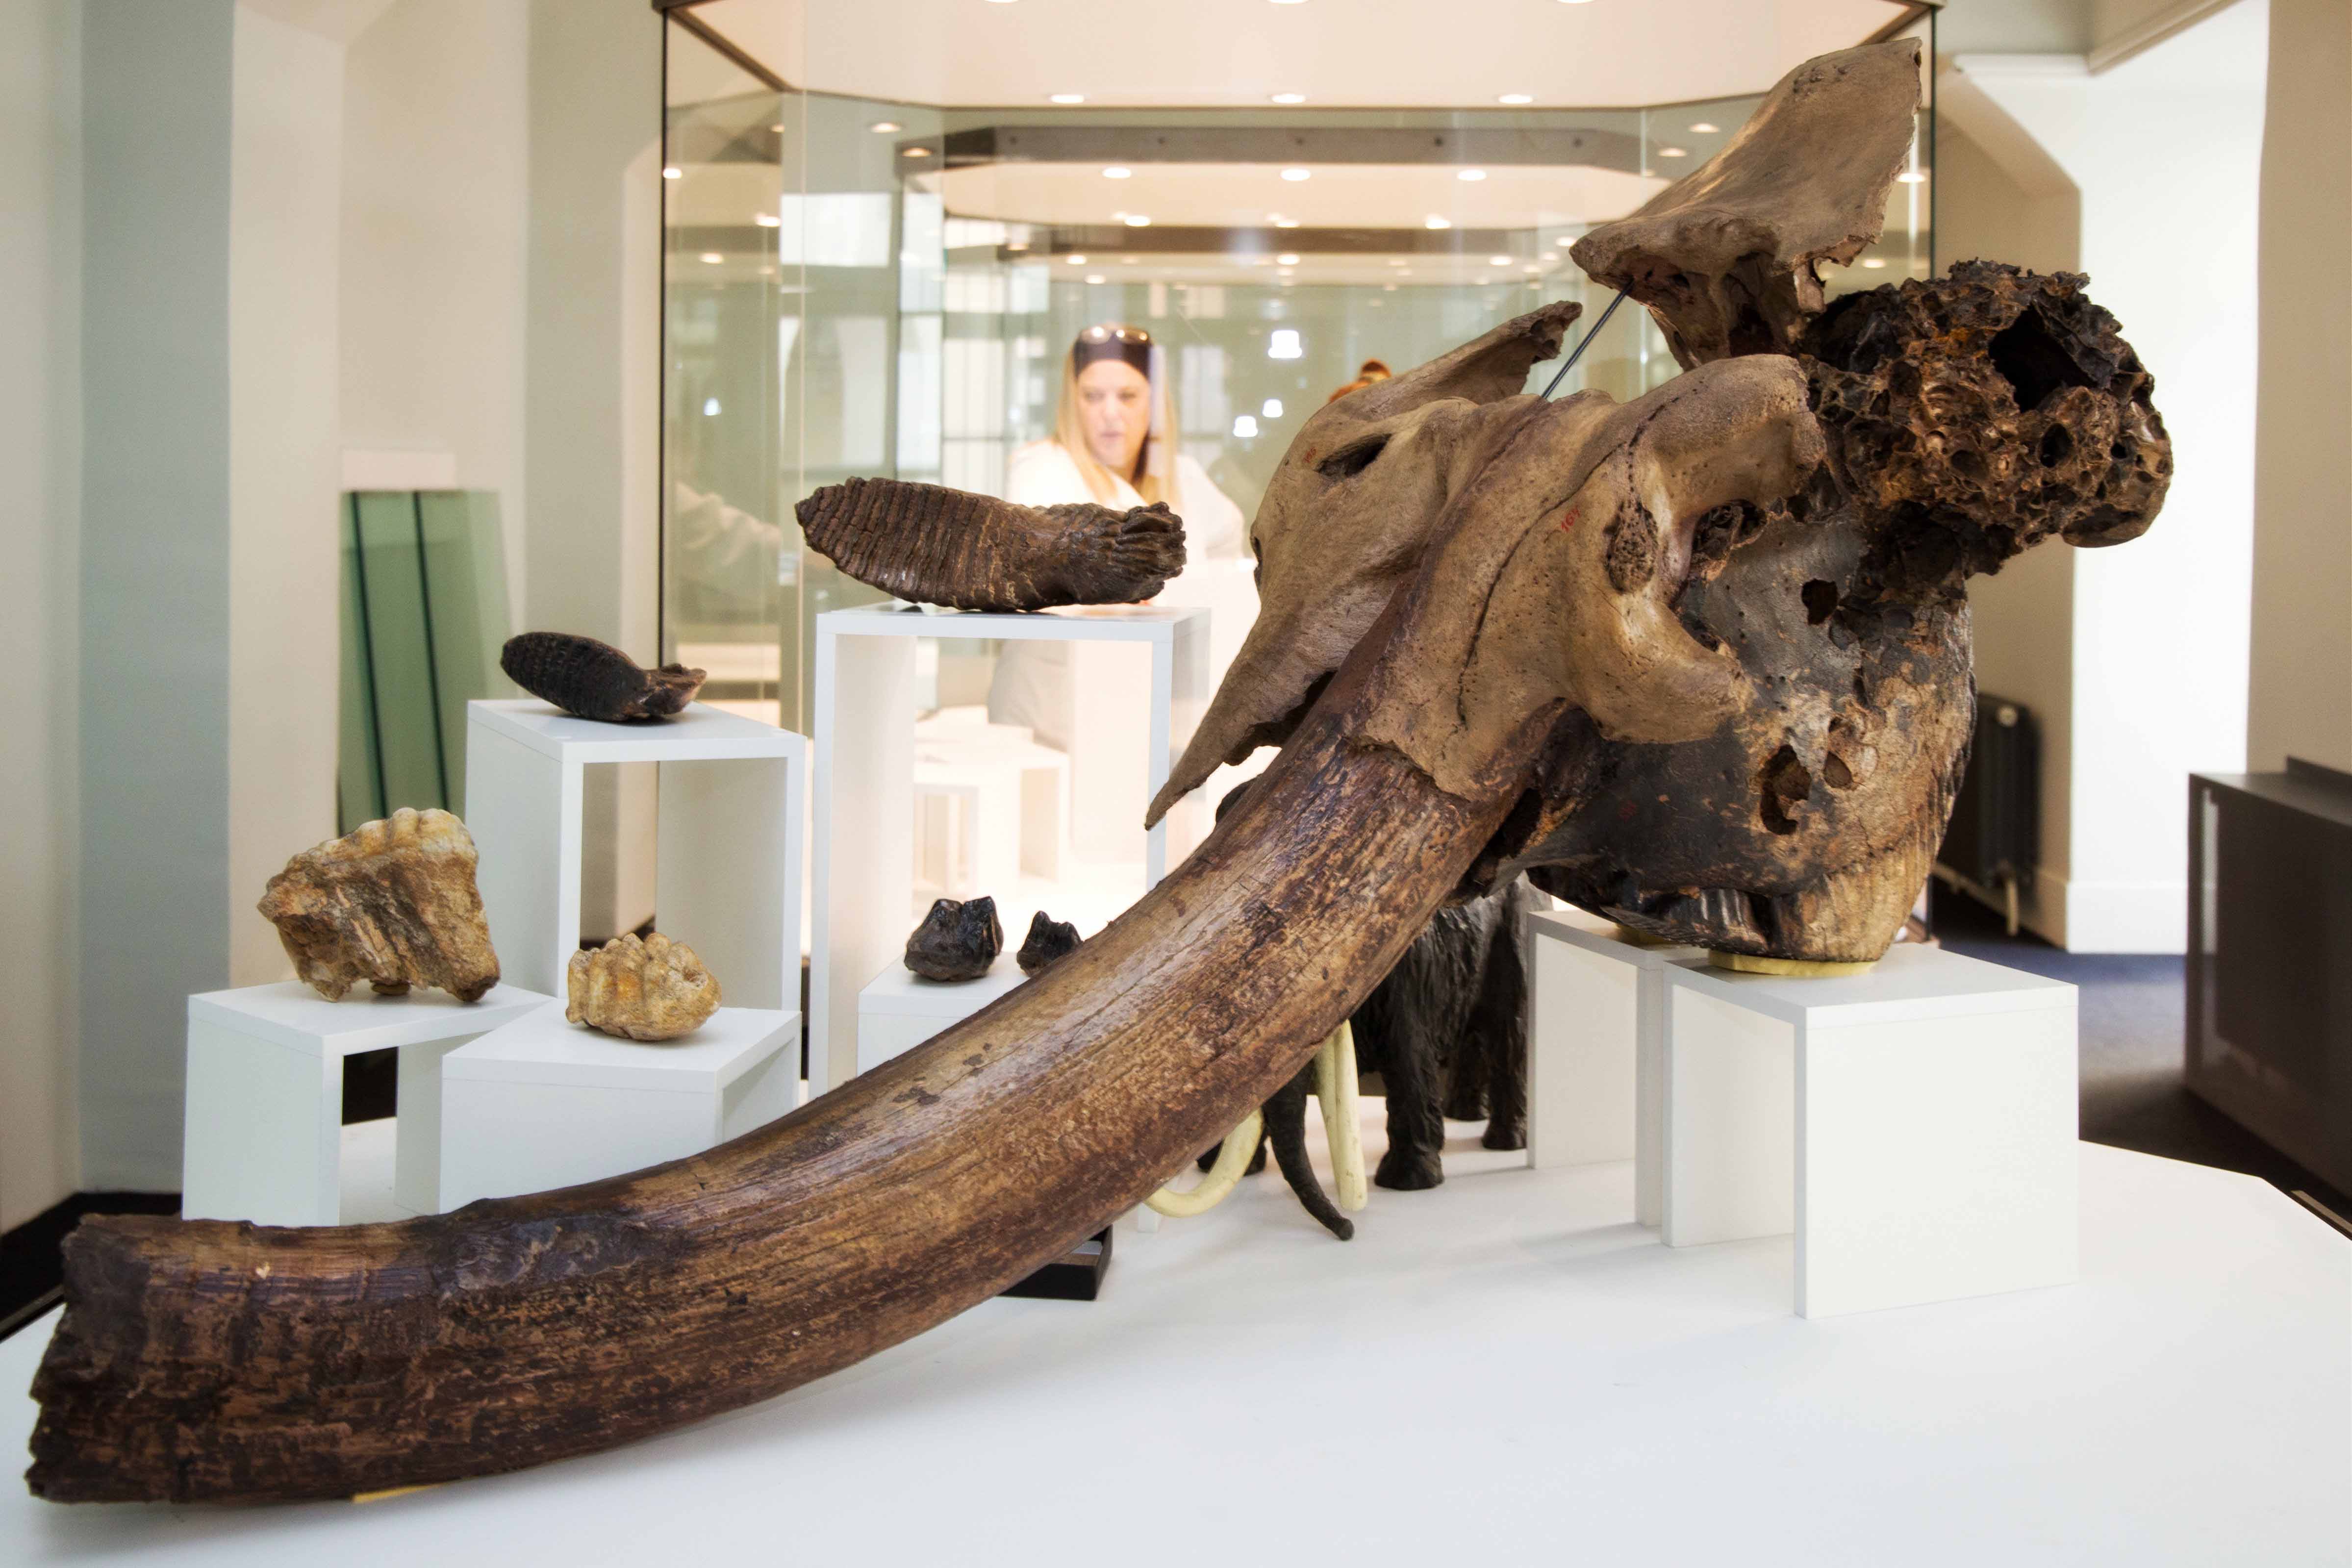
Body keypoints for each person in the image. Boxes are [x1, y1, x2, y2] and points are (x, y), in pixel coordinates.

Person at [987, 323, 1250, 749]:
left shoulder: (1184, 476)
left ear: (1154, 402)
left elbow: (1228, 554)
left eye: (1127, 396)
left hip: (1150, 706)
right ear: (1072, 402)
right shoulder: (1042, 469)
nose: (1110, 413)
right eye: (1092, 396)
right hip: (1051, 713)